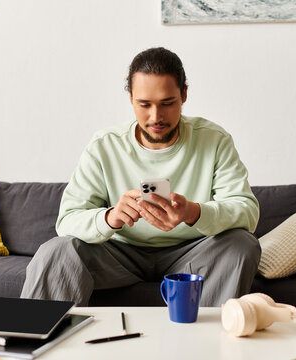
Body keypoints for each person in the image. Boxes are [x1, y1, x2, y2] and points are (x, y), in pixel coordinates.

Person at [20, 47, 261, 307]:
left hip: (194, 253)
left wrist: (192, 212)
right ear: (131, 99)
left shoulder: (214, 140)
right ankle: (37, 343)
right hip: (119, 255)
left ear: (184, 95)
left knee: (242, 244)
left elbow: (247, 211)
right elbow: (66, 220)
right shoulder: (105, 145)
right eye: (144, 105)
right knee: (57, 251)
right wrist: (110, 217)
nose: (156, 117)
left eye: (167, 103)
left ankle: (210, 344)